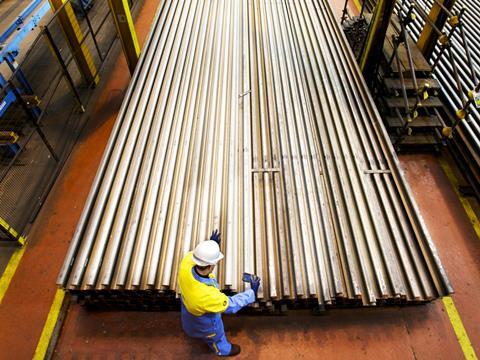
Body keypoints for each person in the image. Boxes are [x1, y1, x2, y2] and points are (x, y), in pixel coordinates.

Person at [178, 230, 261, 357]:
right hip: (204, 320)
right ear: (211, 266)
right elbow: (231, 305)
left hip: (187, 307)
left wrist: (211, 245)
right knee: (215, 335)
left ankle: (192, 332)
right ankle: (222, 350)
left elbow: (199, 256)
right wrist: (252, 293)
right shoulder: (207, 296)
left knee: (191, 326)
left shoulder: (187, 261)